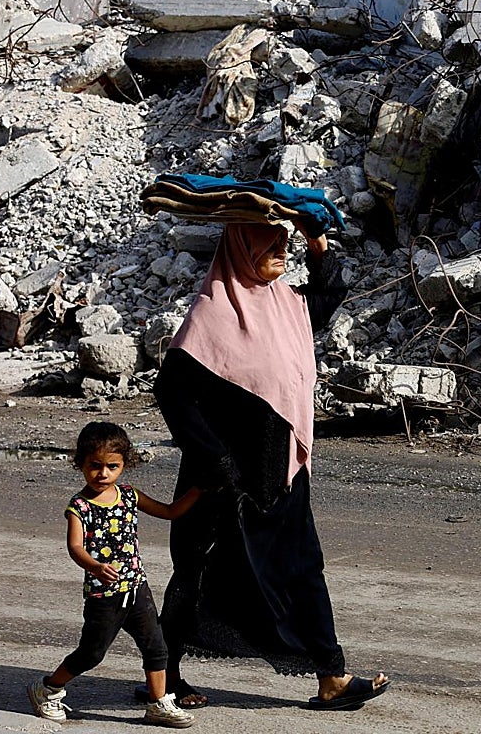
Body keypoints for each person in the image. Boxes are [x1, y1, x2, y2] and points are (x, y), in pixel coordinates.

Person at [149, 220, 390, 711]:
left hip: (280, 470)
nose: (282, 252)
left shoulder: (288, 306)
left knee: (303, 567)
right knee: (195, 570)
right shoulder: (211, 315)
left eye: (285, 245)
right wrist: (212, 458)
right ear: (241, 249)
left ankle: (332, 675)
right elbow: (171, 392)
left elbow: (329, 293)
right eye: (270, 245)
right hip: (223, 479)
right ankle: (165, 680)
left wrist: (317, 242)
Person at [27, 421, 202, 728]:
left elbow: (170, 512)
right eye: (95, 466)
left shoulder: (129, 495)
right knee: (92, 653)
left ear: (125, 465)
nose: (103, 474)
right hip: (103, 595)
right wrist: (94, 566)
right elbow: (74, 546)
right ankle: (48, 689)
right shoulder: (80, 506)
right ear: (80, 462)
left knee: (156, 647)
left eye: (112, 466)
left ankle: (158, 704)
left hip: (137, 588)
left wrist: (200, 490)